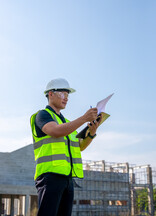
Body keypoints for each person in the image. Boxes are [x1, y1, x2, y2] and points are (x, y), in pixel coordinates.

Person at [30, 78, 102, 216]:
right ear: (51, 94)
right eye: (63, 94)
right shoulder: (42, 115)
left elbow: (80, 146)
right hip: (49, 177)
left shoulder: (67, 123)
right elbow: (55, 131)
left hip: (67, 179)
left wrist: (91, 133)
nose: (67, 98)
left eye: (68, 95)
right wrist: (83, 118)